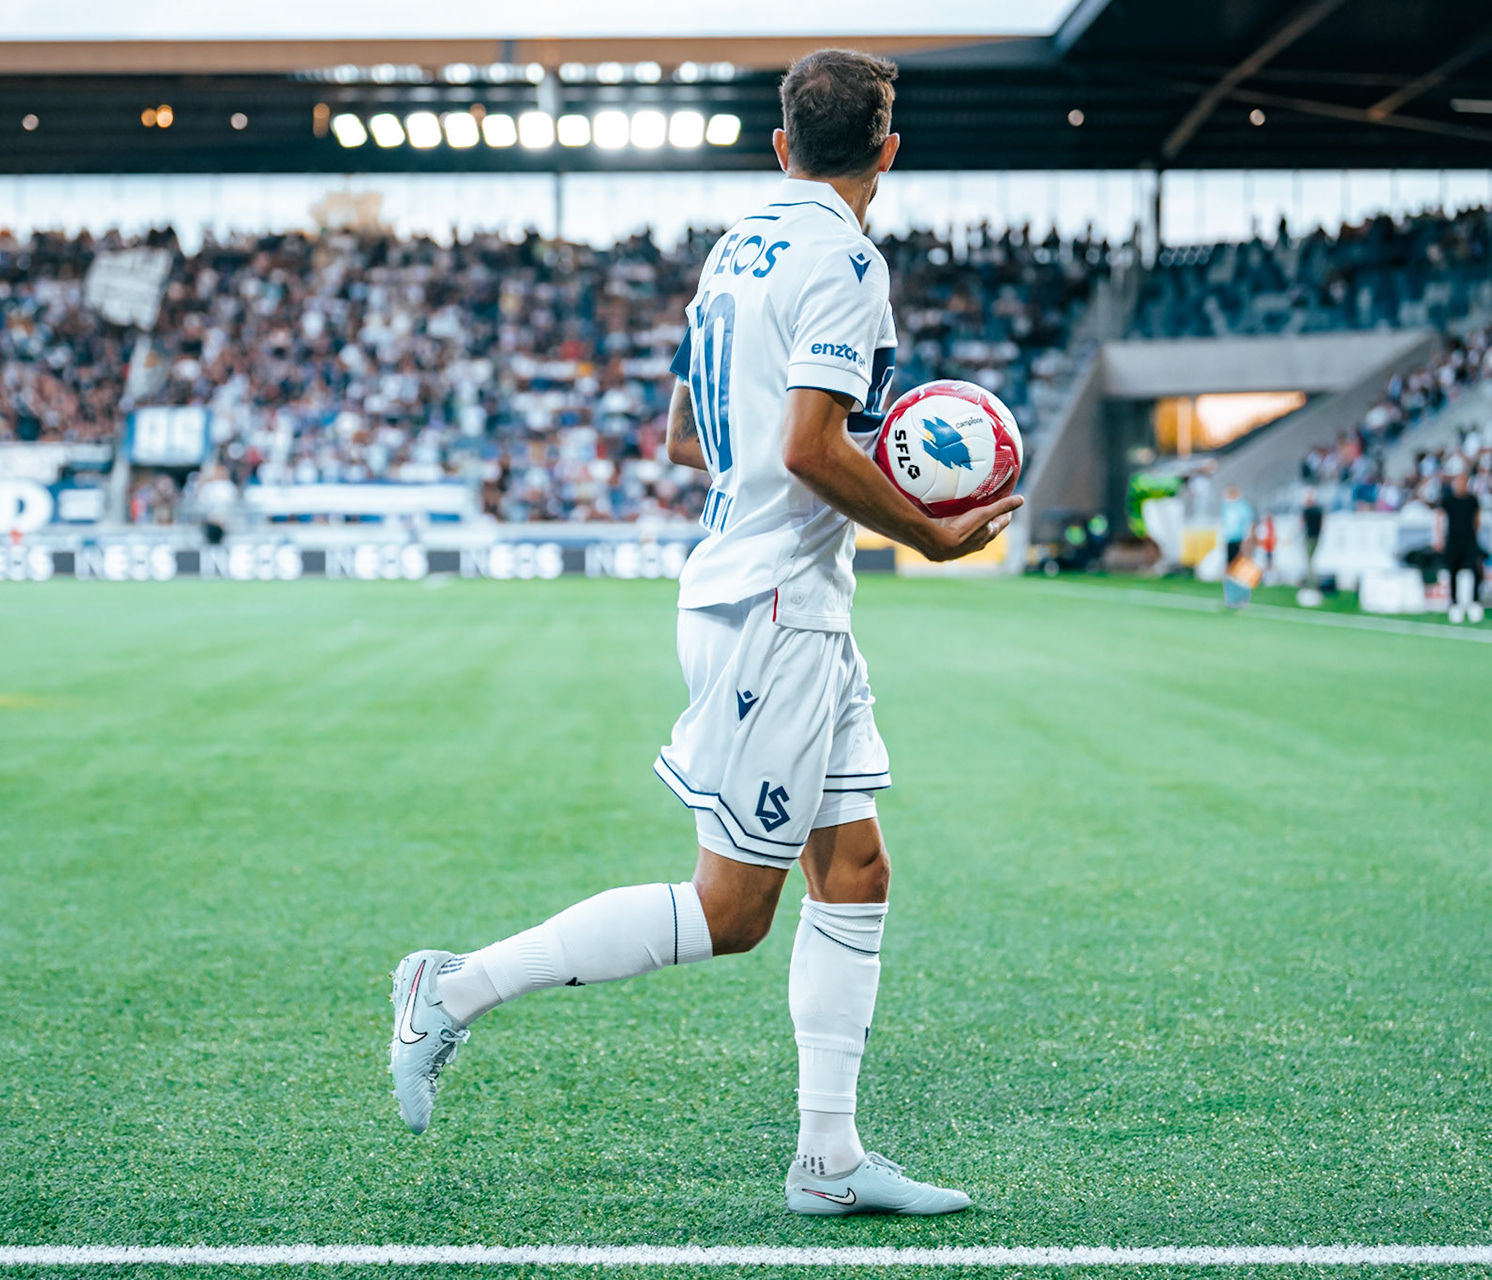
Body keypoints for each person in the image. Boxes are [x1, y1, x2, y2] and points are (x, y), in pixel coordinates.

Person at [385, 49, 1019, 1216]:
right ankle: (452, 987)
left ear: (781, 147)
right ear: (887, 151)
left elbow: (691, 433)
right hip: (770, 604)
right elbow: (805, 450)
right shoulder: (846, 259)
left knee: (859, 870)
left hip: (794, 602)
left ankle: (827, 1158)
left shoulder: (740, 248)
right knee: (731, 912)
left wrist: (836, 477)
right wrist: (926, 533)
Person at [1438, 469, 1483, 624]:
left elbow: (1477, 519)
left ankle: (1475, 603)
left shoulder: (1472, 500)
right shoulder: (1448, 500)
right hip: (1453, 540)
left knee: (1475, 570)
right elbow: (1439, 517)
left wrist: (1475, 534)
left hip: (1469, 540)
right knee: (1453, 572)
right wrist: (1439, 538)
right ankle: (1455, 604)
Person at [1220, 485, 1254, 564]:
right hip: (1229, 537)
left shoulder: (1243, 505)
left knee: (1240, 559)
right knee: (1230, 559)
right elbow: (1224, 522)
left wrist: (1248, 537)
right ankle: (1230, 574)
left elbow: (1249, 521)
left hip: (1240, 537)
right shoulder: (1226, 506)